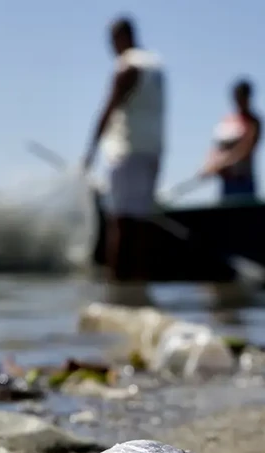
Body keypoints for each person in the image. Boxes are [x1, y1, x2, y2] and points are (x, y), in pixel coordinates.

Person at [82, 15, 166, 282]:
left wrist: (91, 150)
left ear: (122, 37)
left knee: (119, 223)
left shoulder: (127, 67)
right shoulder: (156, 65)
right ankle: (138, 288)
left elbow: (109, 108)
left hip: (126, 152)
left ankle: (117, 289)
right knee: (140, 224)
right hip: (153, 150)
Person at [200, 78, 264, 202]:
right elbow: (217, 148)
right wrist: (209, 165)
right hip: (227, 183)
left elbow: (246, 149)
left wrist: (223, 163)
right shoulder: (228, 121)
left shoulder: (254, 122)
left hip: (243, 181)